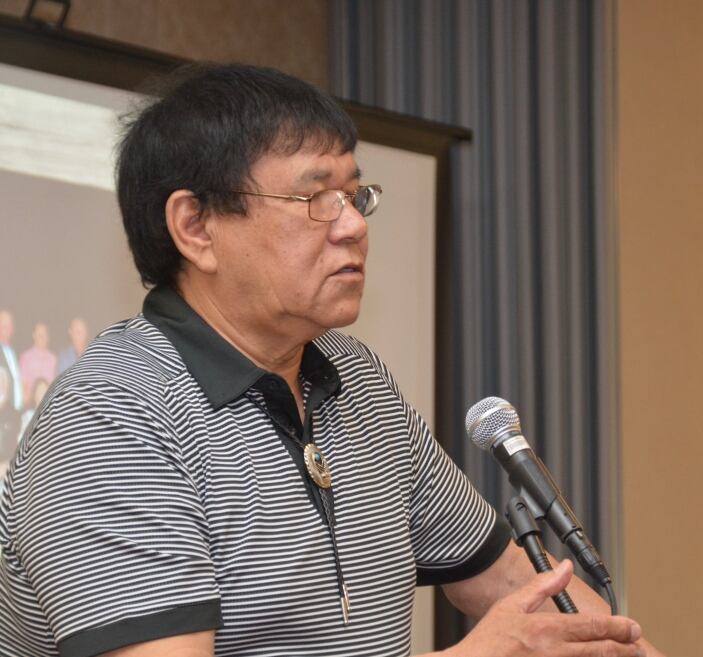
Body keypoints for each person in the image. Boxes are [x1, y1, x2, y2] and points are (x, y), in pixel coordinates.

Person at [0, 64, 661, 657]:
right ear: (195, 227)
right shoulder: (110, 422)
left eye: (355, 195)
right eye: (315, 199)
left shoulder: (357, 382)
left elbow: (523, 587)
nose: (352, 225)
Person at [18, 321, 56, 403]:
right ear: (34, 335)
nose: (42, 337)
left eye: (44, 334)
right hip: (31, 404)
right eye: (39, 334)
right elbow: (22, 384)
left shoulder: (53, 359)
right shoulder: (25, 357)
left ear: (48, 337)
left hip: (48, 403)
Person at [0, 310, 23, 412]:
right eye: (4, 325)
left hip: (16, 413)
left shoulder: (15, 352)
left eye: (10, 325)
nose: (7, 328)